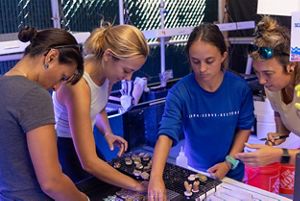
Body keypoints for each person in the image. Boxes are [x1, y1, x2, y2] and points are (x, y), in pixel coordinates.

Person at [148, 23, 255, 200]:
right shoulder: (180, 92)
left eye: (209, 61)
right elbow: (166, 134)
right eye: (195, 61)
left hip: (232, 174)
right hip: (195, 173)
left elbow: (244, 128)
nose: (202, 69)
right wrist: (155, 177)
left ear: (223, 56)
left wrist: (229, 163)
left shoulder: (239, 88)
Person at [52, 24, 150, 191]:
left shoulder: (107, 74)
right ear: (108, 56)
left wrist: (107, 132)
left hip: (84, 141)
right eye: (126, 70)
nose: (128, 78)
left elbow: (98, 106)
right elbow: (89, 163)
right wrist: (138, 186)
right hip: (63, 149)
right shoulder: (78, 85)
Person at [0, 26, 89, 201]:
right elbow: (51, 182)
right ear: (51, 56)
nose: (57, 87)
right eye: (63, 77)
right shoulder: (34, 95)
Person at [236, 16, 300, 166]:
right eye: (257, 73)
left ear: (290, 65)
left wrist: (279, 155)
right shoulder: (273, 88)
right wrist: (281, 132)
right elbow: (280, 110)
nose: (261, 81)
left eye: (268, 73)